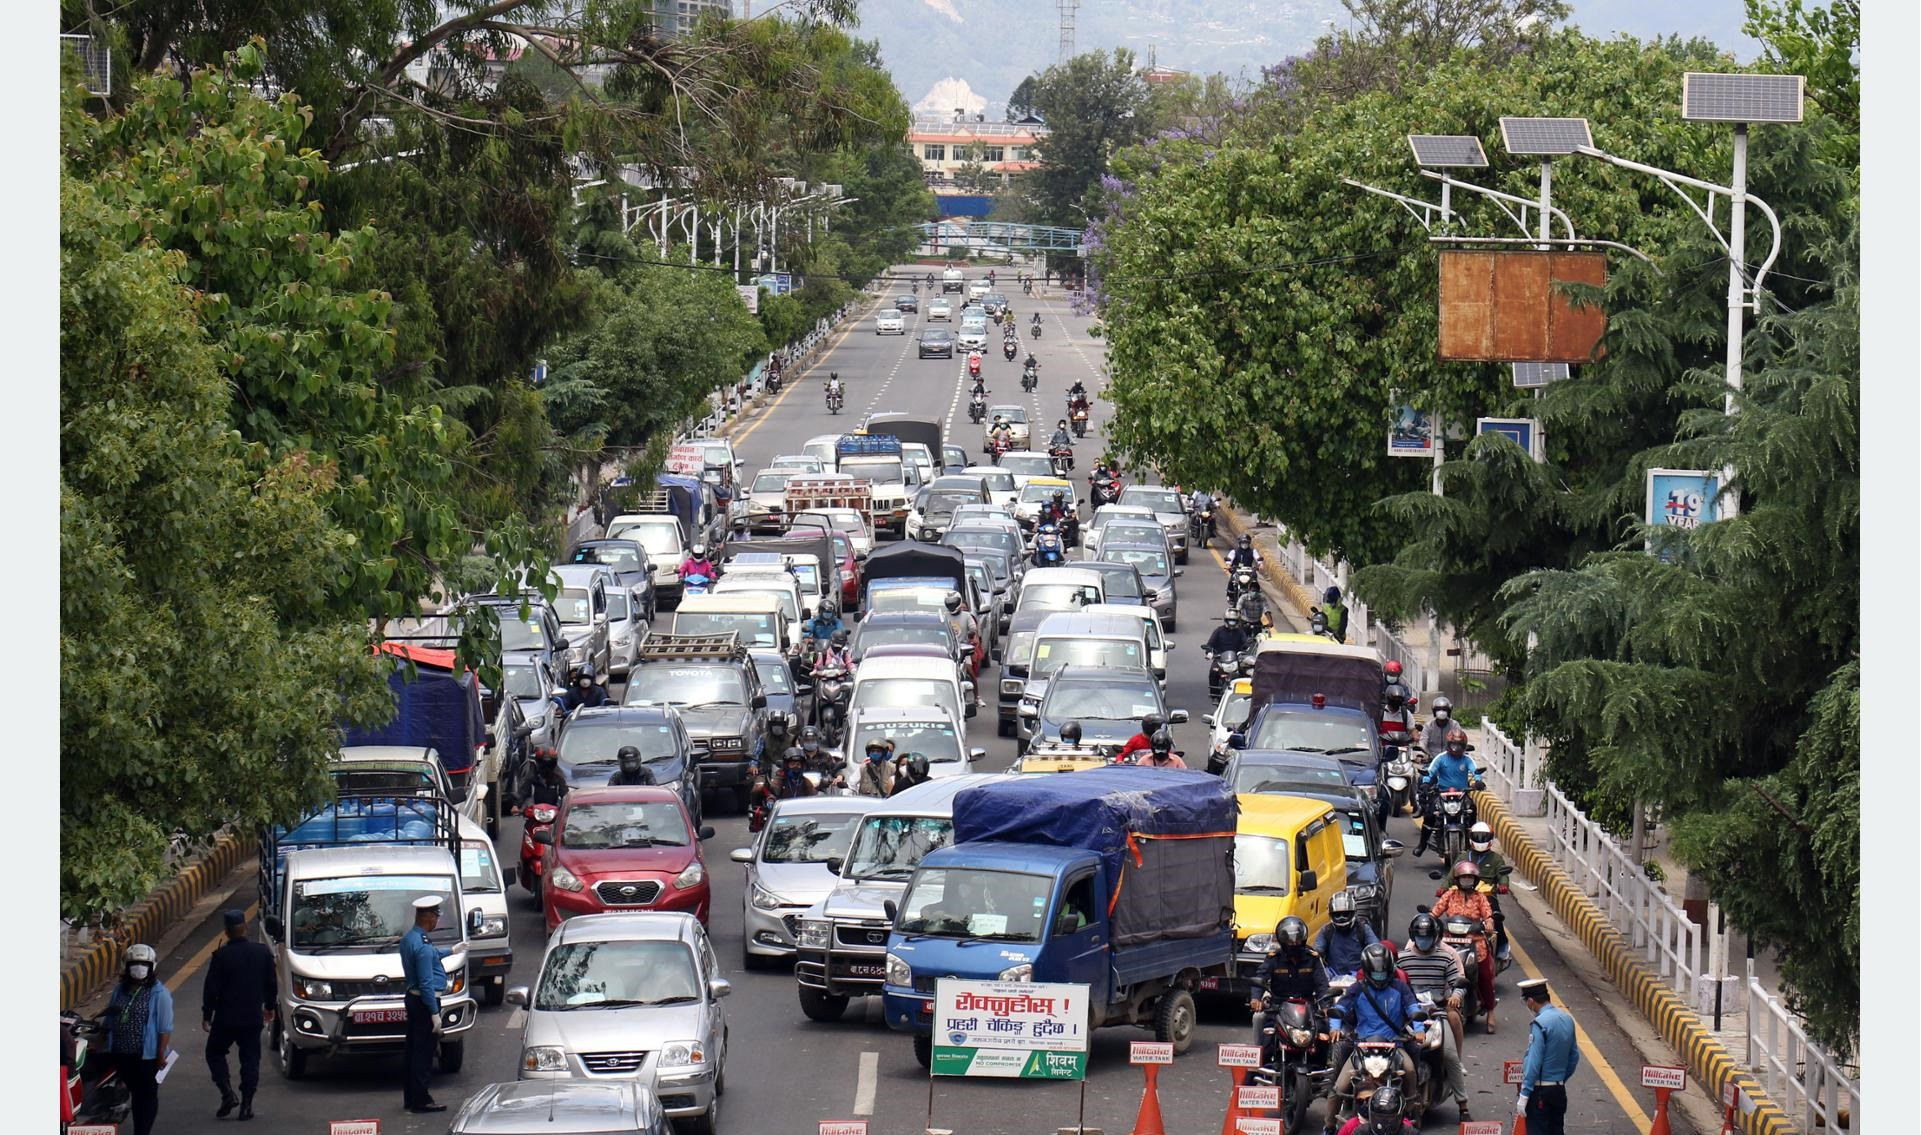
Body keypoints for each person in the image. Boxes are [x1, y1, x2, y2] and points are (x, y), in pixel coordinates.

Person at [1325, 943, 1423, 1113]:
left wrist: (1419, 1029)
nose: (1379, 978)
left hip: (1394, 1046)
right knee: (1338, 1088)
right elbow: (1341, 1008)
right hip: (1362, 1047)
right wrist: (1335, 1027)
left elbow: (1413, 1008)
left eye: (1383, 973)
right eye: (1376, 974)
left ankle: (1410, 1111)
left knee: (1410, 1070)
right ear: (1367, 971)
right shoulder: (1357, 988)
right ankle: (1329, 1125)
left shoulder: (1400, 987)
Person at [1396, 913, 1472, 1119]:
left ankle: (1462, 1105)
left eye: (1427, 936)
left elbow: (1458, 983)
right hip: (1409, 1016)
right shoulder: (1402, 960)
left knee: (1449, 1055)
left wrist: (1456, 995)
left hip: (1437, 1015)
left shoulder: (1446, 957)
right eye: (1420, 936)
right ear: (1413, 936)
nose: (1423, 940)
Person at [202, 910, 275, 1120]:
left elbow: (211, 989)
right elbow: (271, 984)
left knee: (214, 1053)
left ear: (226, 932)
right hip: (252, 1017)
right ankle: (246, 1105)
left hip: (225, 1018)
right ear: (246, 927)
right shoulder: (262, 953)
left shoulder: (221, 956)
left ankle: (227, 1093)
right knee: (250, 1060)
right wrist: (269, 1006)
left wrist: (207, 1014)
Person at [103, 943, 173, 1135]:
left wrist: (160, 1055)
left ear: (152, 967)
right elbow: (110, 1017)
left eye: (144, 964)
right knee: (134, 1093)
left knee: (146, 1096)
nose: (139, 967)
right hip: (121, 1053)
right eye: (135, 963)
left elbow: (164, 1028)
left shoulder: (160, 994)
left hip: (146, 1057)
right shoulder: (120, 990)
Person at [1430, 860, 1499, 1033]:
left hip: (1475, 942)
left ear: (1475, 880)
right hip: (1449, 941)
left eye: (1470, 877)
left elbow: (1488, 915)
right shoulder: (1449, 895)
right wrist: (1430, 919)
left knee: (1484, 974)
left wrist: (1489, 922)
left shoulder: (1480, 897)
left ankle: (1490, 1011)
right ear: (1457, 879)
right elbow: (1435, 912)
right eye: (1463, 877)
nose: (1467, 880)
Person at [399, 896, 453, 1113]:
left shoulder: (412, 938)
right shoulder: (422, 945)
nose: (437, 921)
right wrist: (434, 1012)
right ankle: (421, 1100)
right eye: (436, 917)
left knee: (412, 1050)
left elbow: (432, 954)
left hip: (413, 999)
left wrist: (453, 950)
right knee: (423, 1052)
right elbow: (426, 983)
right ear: (428, 918)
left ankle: (411, 1097)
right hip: (424, 1002)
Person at [1247, 916, 1331, 1045]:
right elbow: (1260, 977)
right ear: (1283, 940)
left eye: (1297, 941)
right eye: (1290, 942)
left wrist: (1326, 1006)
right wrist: (1255, 999)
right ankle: (1260, 1060)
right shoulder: (1274, 958)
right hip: (1278, 1008)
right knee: (1267, 1036)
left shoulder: (1312, 958)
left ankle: (1326, 1064)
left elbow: (1322, 985)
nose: (1294, 944)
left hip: (1307, 1008)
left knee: (1323, 1034)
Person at [1515, 979, 1578, 1135]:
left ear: (1531, 1001)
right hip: (1559, 1090)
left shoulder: (1539, 1023)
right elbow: (1574, 1056)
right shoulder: (1567, 1020)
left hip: (1540, 1092)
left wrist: (1524, 1094)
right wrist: (1559, 1079)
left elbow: (1534, 1062)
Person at [1416, 726, 1479, 855]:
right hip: (1442, 793)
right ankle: (1422, 845)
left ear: (1464, 746)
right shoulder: (1441, 758)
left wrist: (1478, 781)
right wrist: (1426, 783)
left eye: (1459, 745)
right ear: (1448, 744)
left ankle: (1473, 842)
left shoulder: (1467, 759)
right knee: (1429, 815)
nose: (1456, 748)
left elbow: (1475, 771)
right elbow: (1430, 771)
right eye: (1453, 745)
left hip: (1461, 794)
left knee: (1472, 810)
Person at [1465, 822, 1513, 962]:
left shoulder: (1496, 859)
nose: (1480, 840)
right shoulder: (1464, 857)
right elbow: (1452, 874)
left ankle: (1502, 945)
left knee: (1496, 918)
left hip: (1487, 896)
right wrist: (1444, 887)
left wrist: (1503, 885)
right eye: (1477, 837)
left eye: (1484, 837)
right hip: (1464, 894)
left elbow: (1502, 875)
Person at [1312, 890, 1381, 978]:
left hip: (1360, 979)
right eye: (1337, 915)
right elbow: (1317, 951)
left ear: (1353, 912)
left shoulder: (1363, 929)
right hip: (1333, 980)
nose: (1341, 918)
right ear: (1331, 915)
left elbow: (1376, 948)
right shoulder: (1326, 931)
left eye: (1345, 914)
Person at [1334, 1083, 1421, 1135]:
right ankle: (1329, 1126)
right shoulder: (1359, 1131)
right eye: (1360, 1101)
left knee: (1410, 1070)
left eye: (1368, 1099)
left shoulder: (1409, 1132)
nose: (1383, 1121)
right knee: (1340, 1085)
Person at [513, 749, 568, 813]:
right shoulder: (532, 778)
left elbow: (565, 796)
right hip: (534, 814)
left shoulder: (559, 779)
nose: (546, 768)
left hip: (554, 815)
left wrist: (567, 808)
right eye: (543, 765)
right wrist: (516, 805)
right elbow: (523, 792)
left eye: (549, 765)